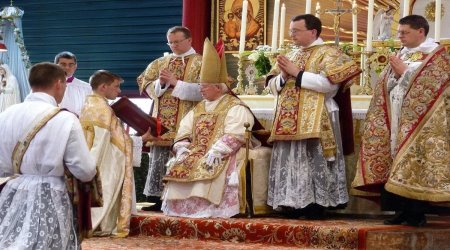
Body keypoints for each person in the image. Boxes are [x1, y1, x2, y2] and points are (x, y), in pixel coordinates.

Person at [352, 15, 450, 226]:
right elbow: (386, 85)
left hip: (421, 122)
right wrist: (395, 77)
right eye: (399, 32)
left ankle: (417, 213)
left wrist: (404, 72)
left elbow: (435, 86)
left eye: (404, 32)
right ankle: (401, 210)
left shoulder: (436, 56)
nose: (400, 36)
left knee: (414, 162)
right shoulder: (402, 54)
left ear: (421, 32)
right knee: (395, 160)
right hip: (396, 116)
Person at [266, 14, 361, 219]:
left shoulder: (329, 53)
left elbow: (329, 85)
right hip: (288, 117)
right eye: (291, 31)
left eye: (296, 31)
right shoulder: (291, 53)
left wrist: (297, 73)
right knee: (292, 160)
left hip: (320, 114)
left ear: (313, 32)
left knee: (314, 159)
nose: (292, 35)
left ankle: (317, 204)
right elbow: (271, 87)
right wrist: (282, 77)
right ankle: (292, 202)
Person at [162, 38, 262, 218]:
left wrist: (217, 150)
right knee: (184, 162)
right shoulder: (199, 108)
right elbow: (184, 131)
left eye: (204, 87)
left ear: (218, 87)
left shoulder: (234, 106)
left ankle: (212, 208)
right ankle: (185, 208)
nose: (200, 90)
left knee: (210, 163)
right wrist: (182, 147)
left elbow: (237, 133)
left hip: (223, 151)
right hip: (198, 150)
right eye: (200, 86)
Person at [0, 62, 96, 249]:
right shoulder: (65, 118)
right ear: (59, 84)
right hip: (51, 195)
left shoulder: (6, 115)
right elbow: (85, 170)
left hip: (13, 192)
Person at [79, 70, 153, 237]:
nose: (119, 91)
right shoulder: (103, 109)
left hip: (92, 158)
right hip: (104, 161)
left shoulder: (90, 104)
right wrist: (140, 138)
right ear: (104, 87)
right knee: (105, 190)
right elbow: (114, 142)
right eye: (116, 86)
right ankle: (100, 225)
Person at [137, 26, 203, 211]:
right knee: (160, 158)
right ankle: (158, 198)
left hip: (188, 120)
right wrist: (161, 84)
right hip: (162, 121)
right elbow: (146, 84)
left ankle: (181, 198)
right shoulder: (160, 62)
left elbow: (206, 90)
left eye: (177, 41)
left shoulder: (202, 62)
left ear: (189, 40)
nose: (173, 45)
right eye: (170, 42)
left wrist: (176, 83)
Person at [55, 51, 92, 116]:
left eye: (71, 64)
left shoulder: (87, 87)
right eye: (63, 64)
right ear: (55, 66)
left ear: (75, 66)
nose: (67, 67)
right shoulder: (46, 86)